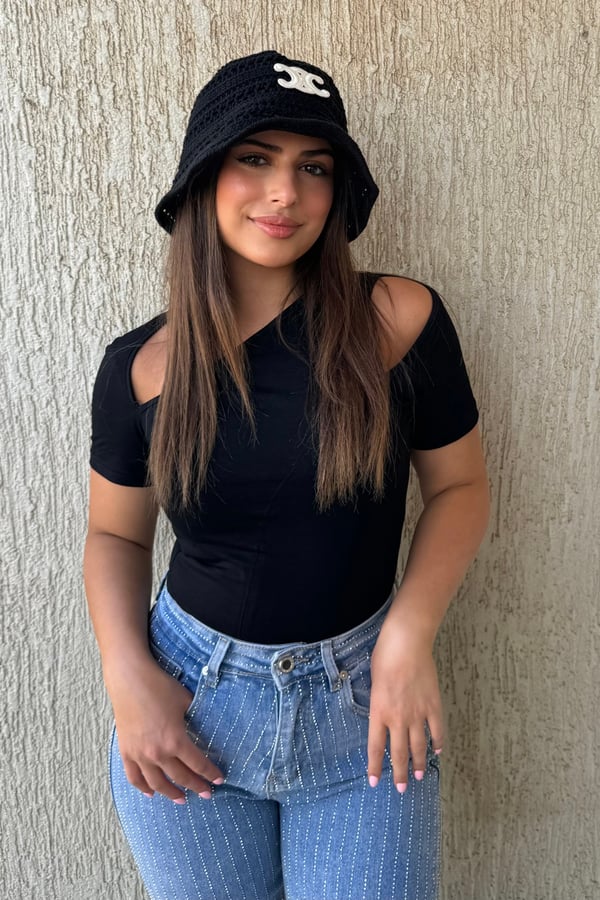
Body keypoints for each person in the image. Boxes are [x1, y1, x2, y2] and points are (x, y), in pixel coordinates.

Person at [83, 50, 489, 900]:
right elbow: (115, 535)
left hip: (367, 715)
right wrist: (127, 680)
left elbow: (460, 488)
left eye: (314, 167)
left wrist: (408, 637)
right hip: (188, 714)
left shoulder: (398, 321)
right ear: (204, 176)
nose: (285, 194)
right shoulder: (142, 369)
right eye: (255, 158)